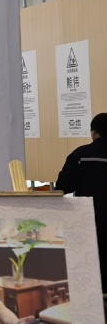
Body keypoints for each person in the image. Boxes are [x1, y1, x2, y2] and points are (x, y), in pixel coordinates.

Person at [54, 112, 107, 292]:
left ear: (93, 132)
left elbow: (62, 187)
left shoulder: (80, 155)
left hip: (89, 220)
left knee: (92, 263)